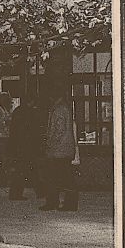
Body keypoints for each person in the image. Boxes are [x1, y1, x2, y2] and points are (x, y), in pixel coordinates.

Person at [41, 81, 80, 211]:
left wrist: (49, 143)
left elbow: (59, 130)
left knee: (55, 177)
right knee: (64, 177)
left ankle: (54, 202)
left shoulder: (58, 109)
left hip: (58, 150)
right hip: (65, 149)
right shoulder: (65, 107)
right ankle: (68, 203)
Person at [8, 94, 44, 200]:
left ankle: (16, 193)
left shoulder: (17, 111)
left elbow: (13, 130)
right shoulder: (31, 113)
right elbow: (34, 131)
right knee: (30, 170)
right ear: (32, 101)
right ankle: (39, 191)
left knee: (22, 171)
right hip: (28, 146)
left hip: (18, 146)